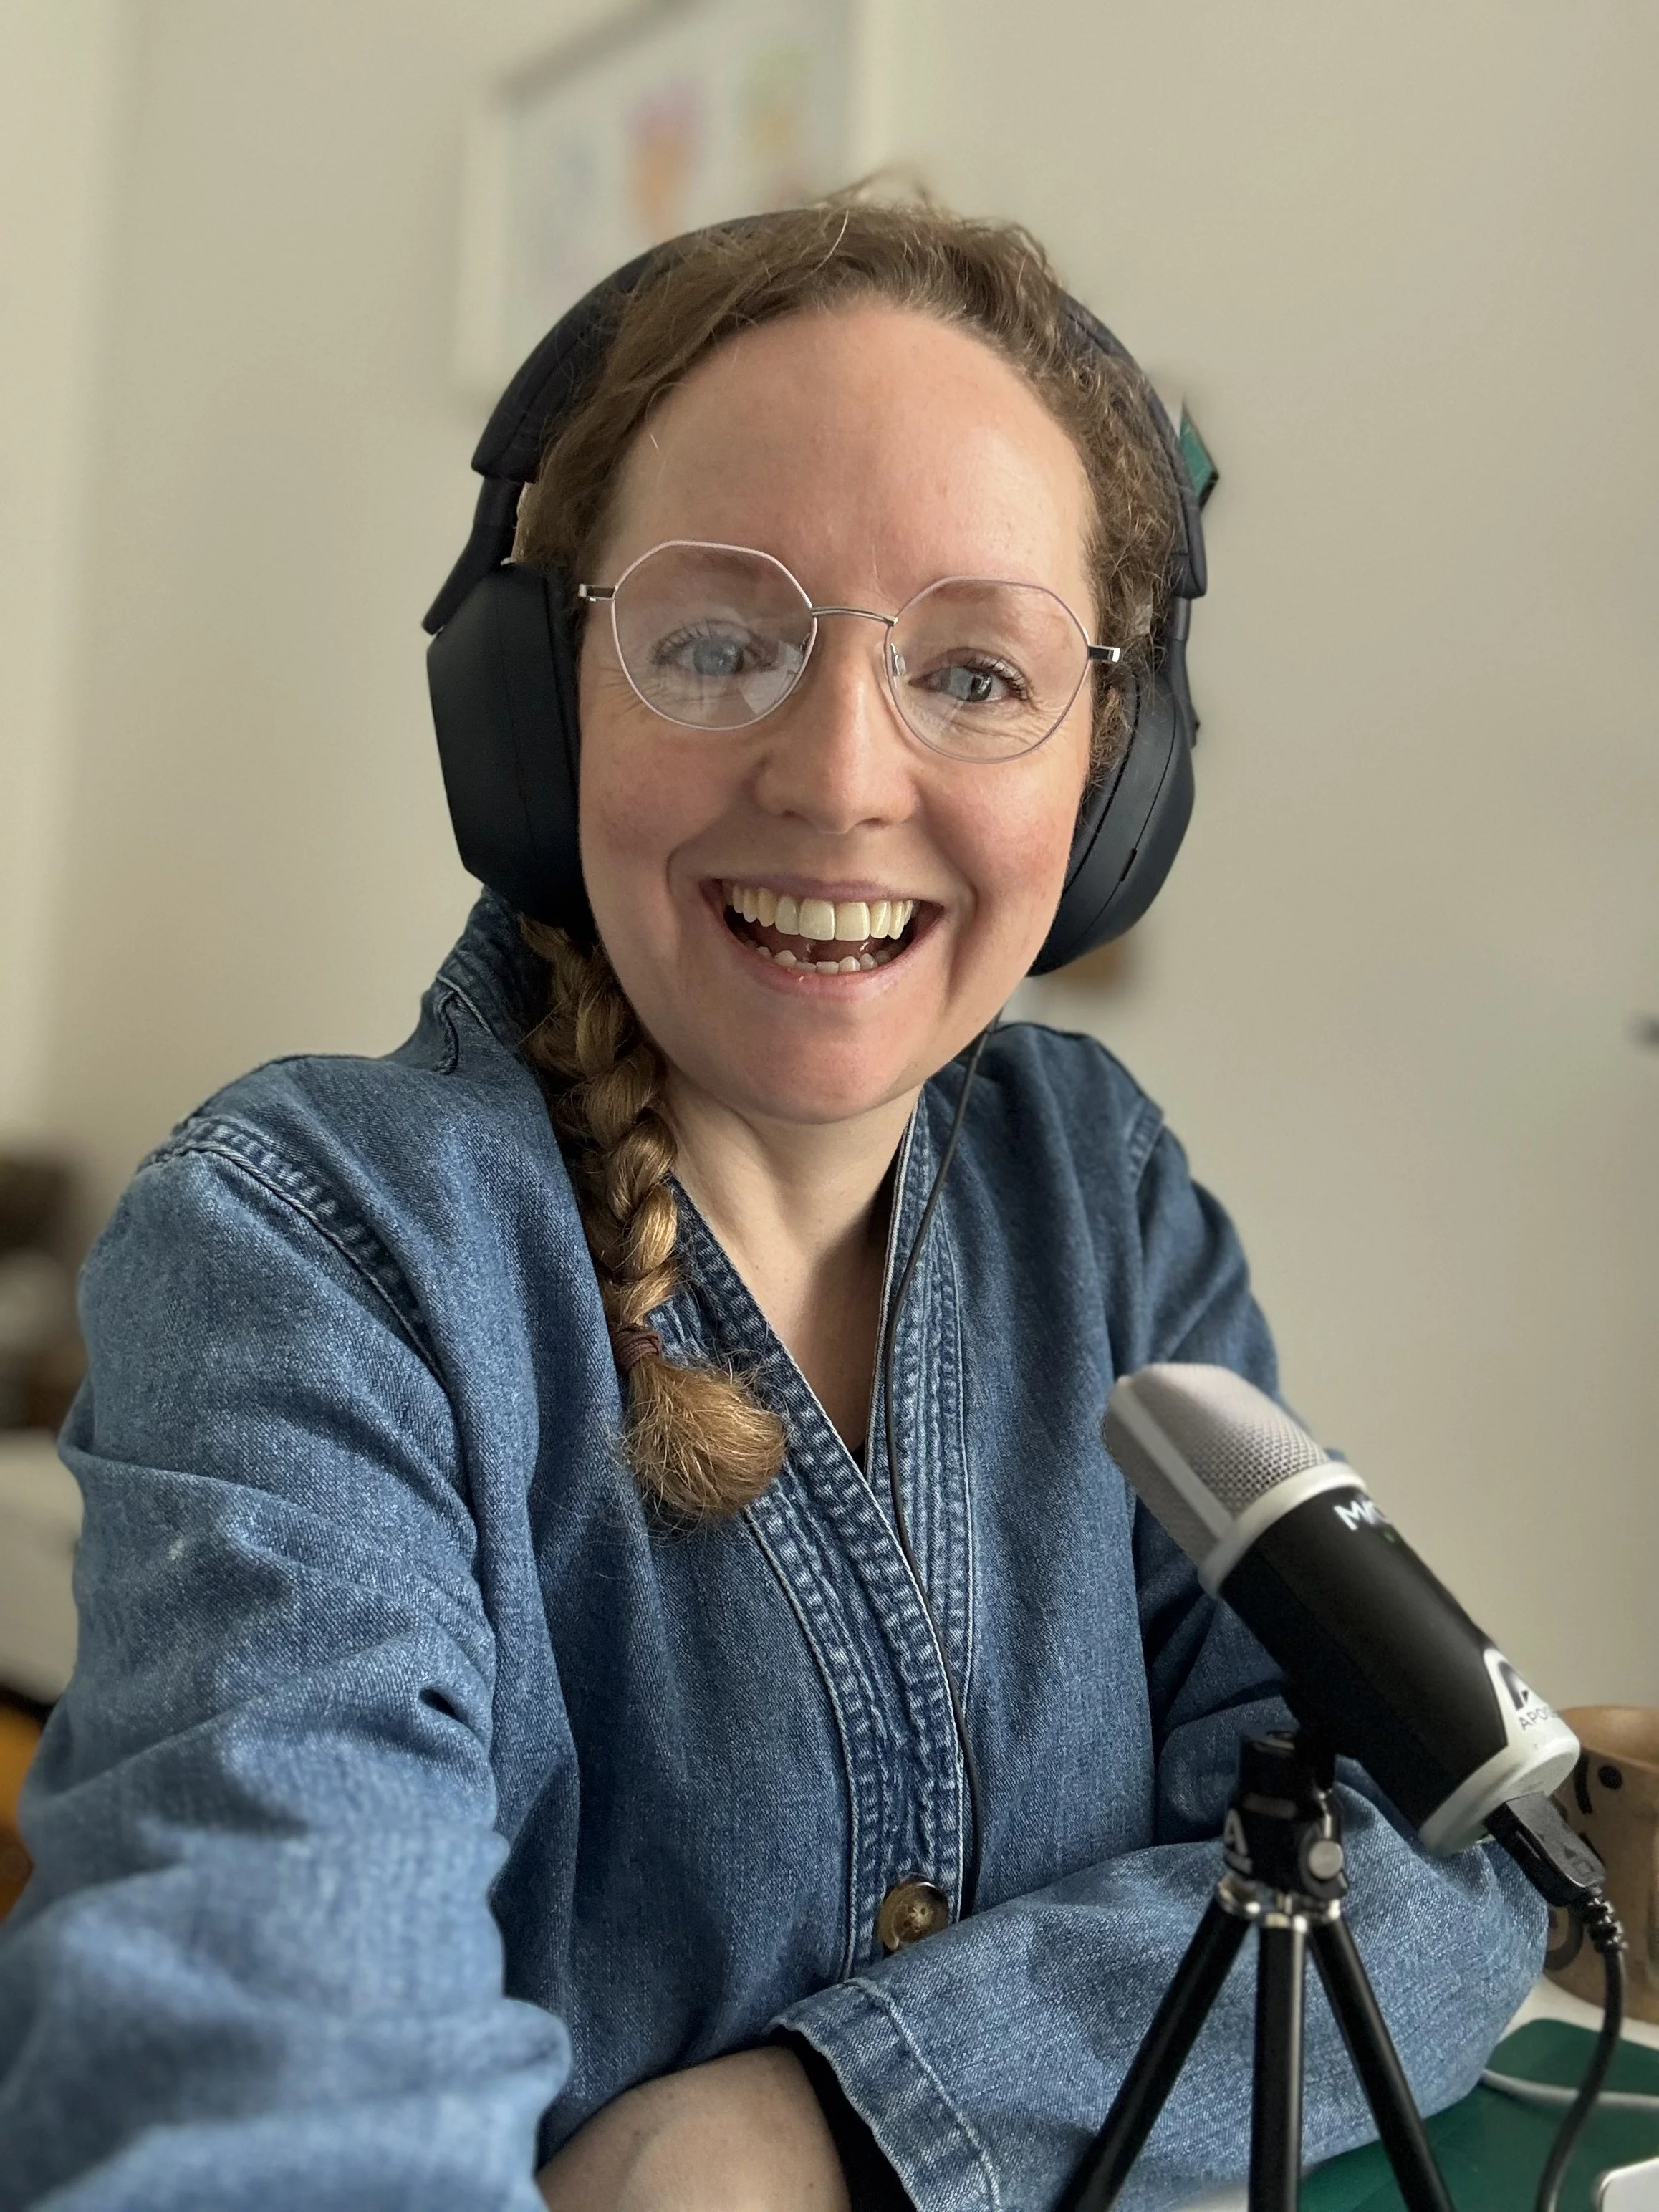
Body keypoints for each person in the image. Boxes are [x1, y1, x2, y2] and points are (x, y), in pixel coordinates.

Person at [0, 198, 1542, 2212]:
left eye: (978, 671)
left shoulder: (1105, 1195)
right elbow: (262, 2055)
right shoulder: (312, 1244)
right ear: (536, 706)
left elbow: (1431, 1840)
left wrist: (825, 2120)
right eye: (715, 639)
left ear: (1111, 773)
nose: (835, 776)